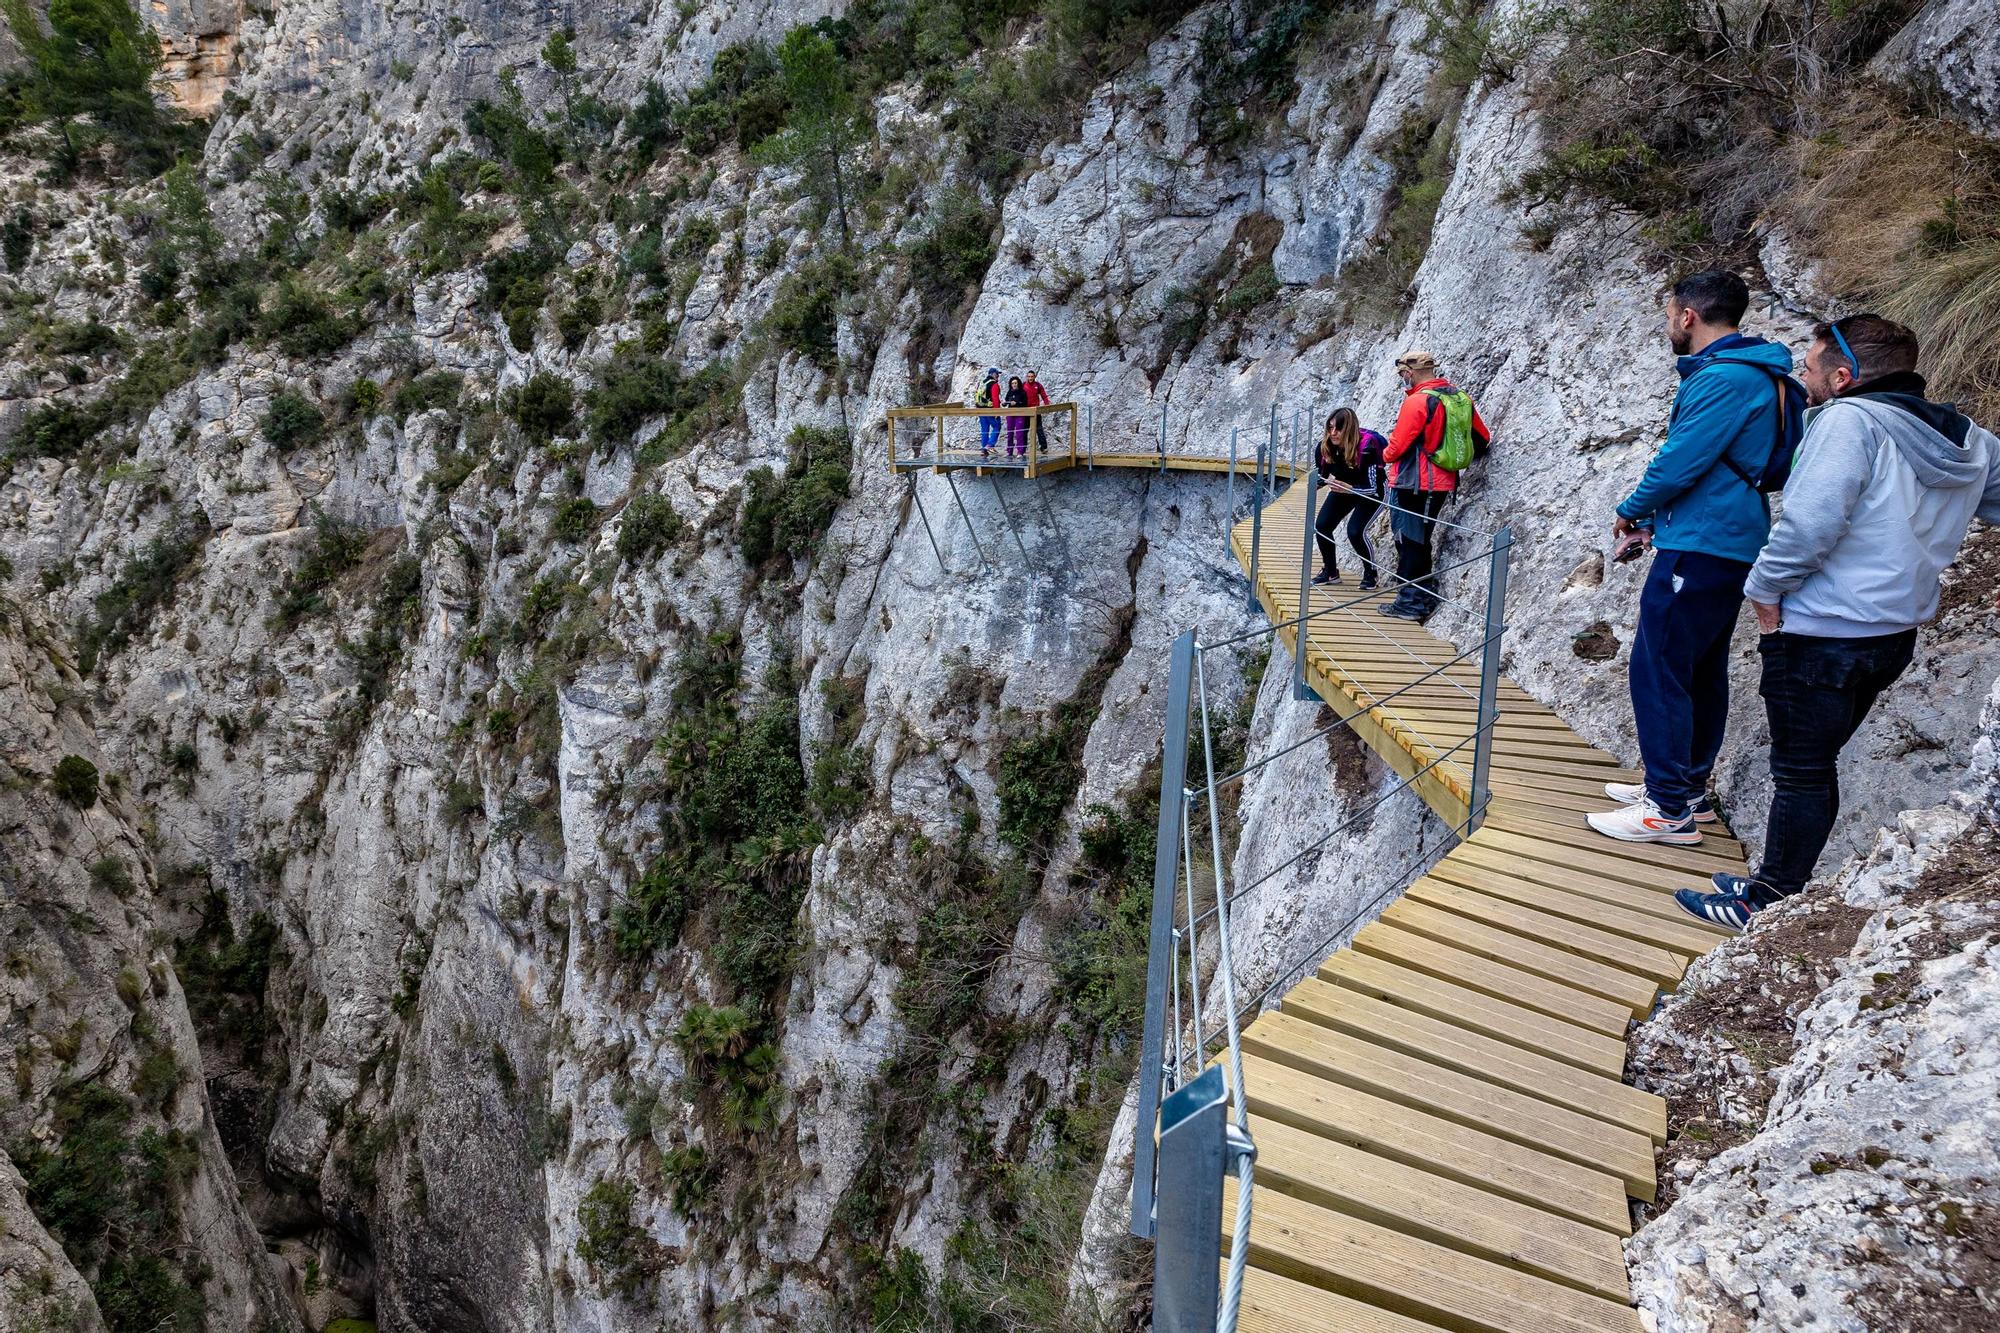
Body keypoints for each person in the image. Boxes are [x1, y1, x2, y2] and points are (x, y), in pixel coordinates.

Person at [1673, 315, 2000, 930]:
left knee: (1801, 771)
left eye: (1814, 364)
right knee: (1812, 766)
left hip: (1822, 631)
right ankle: (1775, 881)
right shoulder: (1968, 439)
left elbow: (1808, 525)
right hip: (1893, 632)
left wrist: (1764, 591)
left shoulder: (1849, 422)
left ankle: (1767, 900)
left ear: (1844, 376)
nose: (1805, 373)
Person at [1587, 271, 1797, 847]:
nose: (1667, 324)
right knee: (1699, 667)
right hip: (1724, 536)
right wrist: (1658, 523)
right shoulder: (1760, 374)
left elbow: (1680, 461)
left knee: (1657, 666)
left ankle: (1667, 808)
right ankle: (1686, 788)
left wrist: (1631, 510)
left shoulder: (1723, 379)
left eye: (1668, 313)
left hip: (1704, 542)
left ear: (1688, 316)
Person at [1378, 349, 1490, 622]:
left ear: (1410, 372)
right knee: (1419, 540)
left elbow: (1397, 447)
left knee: (1409, 541)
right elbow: (1482, 437)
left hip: (1413, 482)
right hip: (1442, 483)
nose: (1403, 378)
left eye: (1403, 374)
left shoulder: (1418, 402)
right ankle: (1422, 596)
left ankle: (1411, 603)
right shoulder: (1459, 397)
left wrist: (1382, 456)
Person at [1312, 407, 1386, 588]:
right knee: (1322, 525)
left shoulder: (1367, 448)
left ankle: (1371, 573)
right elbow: (1322, 476)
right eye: (1330, 428)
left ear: (1349, 429)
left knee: (1355, 531)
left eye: (1338, 428)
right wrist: (1315, 484)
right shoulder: (1325, 448)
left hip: (1372, 491)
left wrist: (1349, 489)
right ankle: (1330, 572)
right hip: (1345, 487)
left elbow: (1373, 487)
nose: (1333, 433)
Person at [976, 367, 1003, 459]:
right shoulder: (994, 384)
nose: (998, 376)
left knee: (984, 429)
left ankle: (984, 450)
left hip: (980, 409)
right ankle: (990, 445)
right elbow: (995, 399)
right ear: (993, 374)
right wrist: (997, 412)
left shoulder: (982, 382)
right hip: (990, 409)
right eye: (997, 374)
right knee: (997, 426)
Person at [1023, 369, 1053, 453]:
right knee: (1024, 430)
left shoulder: (1038, 385)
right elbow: (1020, 395)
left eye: (1032, 376)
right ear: (1027, 377)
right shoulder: (1023, 385)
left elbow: (1044, 395)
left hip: (1036, 411)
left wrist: (1047, 405)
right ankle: (1023, 448)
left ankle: (1043, 447)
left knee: (1039, 429)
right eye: (1029, 376)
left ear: (1035, 377)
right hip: (1026, 411)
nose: (1030, 378)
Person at [1003, 375, 1029, 458]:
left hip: (1020, 414)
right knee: (1010, 433)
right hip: (1010, 414)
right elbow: (1007, 401)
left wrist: (1016, 403)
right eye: (1012, 383)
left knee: (1019, 433)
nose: (1014, 385)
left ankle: (1020, 452)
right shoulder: (1009, 392)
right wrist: (1004, 403)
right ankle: (1009, 451)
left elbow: (1025, 403)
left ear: (1018, 383)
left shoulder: (1022, 392)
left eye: (1015, 383)